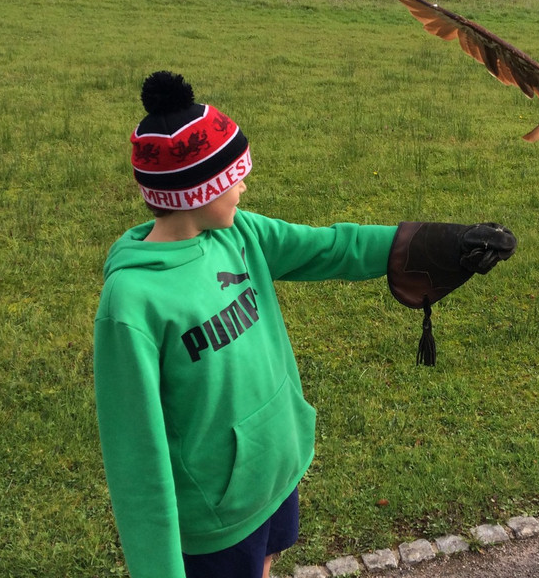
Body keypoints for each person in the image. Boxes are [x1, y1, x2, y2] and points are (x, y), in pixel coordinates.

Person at [94, 71, 516, 578]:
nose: (245, 186)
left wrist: (441, 244)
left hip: (271, 472)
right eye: (235, 177)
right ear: (197, 191)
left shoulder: (239, 235)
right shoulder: (133, 303)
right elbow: (136, 461)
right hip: (215, 515)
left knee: (267, 562)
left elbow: (330, 247)